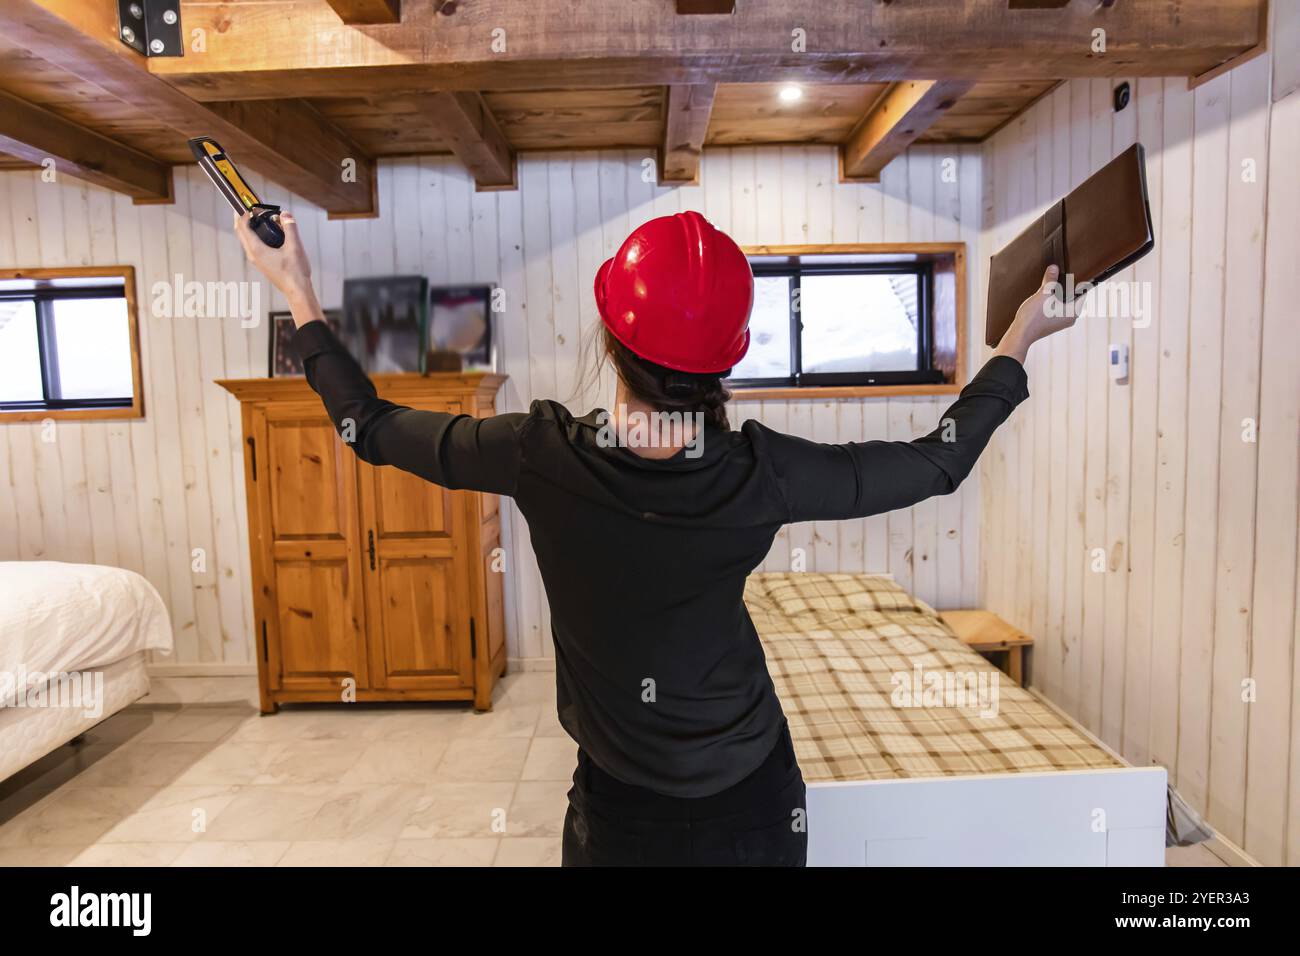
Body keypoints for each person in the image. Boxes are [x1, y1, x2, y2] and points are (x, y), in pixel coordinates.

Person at [235, 207, 1075, 867]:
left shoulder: (538, 454)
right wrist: (1015, 343)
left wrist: (297, 289)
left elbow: (367, 426)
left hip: (620, 816)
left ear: (611, 341)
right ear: (728, 363)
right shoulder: (761, 474)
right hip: (755, 803)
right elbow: (939, 463)